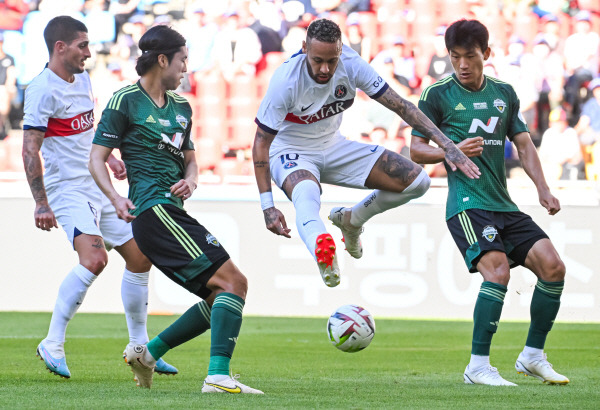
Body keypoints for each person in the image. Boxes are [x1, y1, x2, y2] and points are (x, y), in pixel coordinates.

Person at [89, 25, 262, 394]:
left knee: (222, 295)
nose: (186, 68)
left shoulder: (182, 107)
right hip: (153, 211)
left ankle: (148, 354)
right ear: (163, 59)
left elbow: (192, 161)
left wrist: (192, 180)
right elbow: (96, 157)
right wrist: (116, 198)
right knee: (235, 282)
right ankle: (216, 377)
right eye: (183, 60)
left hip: (171, 211)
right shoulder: (125, 101)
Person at [252, 18, 479, 288]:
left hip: (334, 146)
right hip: (290, 151)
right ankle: (322, 250)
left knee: (418, 182)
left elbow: (402, 106)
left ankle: (352, 219)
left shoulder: (351, 64)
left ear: (341, 50)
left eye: (331, 60)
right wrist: (268, 206)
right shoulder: (285, 82)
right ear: (304, 49)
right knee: (306, 195)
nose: (325, 69)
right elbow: (261, 143)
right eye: (317, 60)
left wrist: (448, 147)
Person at [410, 19, 569, 386]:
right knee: (498, 272)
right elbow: (415, 149)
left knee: (553, 267)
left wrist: (543, 189)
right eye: (455, 57)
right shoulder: (437, 94)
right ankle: (477, 366)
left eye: (470, 56)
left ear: (487, 55)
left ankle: (532, 355)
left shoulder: (504, 92)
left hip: (503, 203)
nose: (462, 65)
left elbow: (524, 143)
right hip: (467, 203)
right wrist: (449, 150)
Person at [21, 16, 177, 379]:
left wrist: (112, 157)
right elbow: (30, 151)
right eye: (82, 45)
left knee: (140, 258)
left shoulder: (83, 79)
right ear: (60, 47)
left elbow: (87, 130)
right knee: (94, 260)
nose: (89, 53)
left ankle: (141, 350)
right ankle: (53, 342)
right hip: (67, 189)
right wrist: (41, 202)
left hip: (97, 181)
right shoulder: (41, 89)